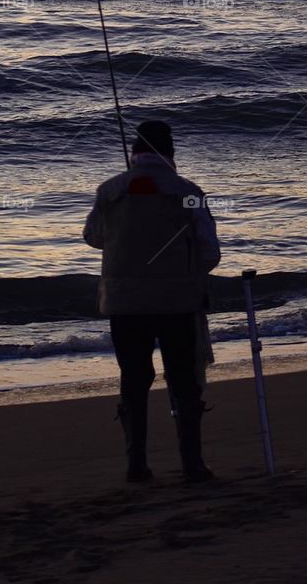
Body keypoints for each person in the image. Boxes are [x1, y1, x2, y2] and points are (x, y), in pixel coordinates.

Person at [83, 119, 221, 484]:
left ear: (133, 153)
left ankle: (136, 466)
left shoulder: (109, 190)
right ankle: (193, 465)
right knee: (183, 378)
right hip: (177, 301)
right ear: (171, 153)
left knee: (134, 378)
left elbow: (93, 238)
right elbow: (210, 251)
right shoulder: (188, 191)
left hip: (124, 302)